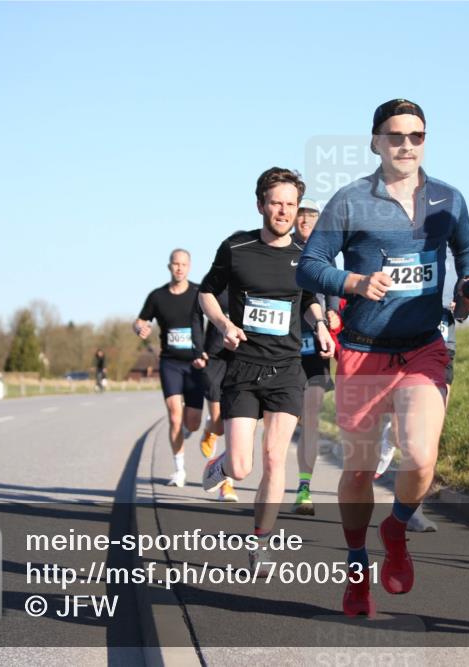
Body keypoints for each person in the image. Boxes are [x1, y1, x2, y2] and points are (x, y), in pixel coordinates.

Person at [297, 99, 469, 617]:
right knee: (358, 473)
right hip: (361, 352)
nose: (406, 145)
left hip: (423, 347)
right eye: (395, 136)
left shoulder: (448, 198)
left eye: (416, 136)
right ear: (376, 141)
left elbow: (467, 250)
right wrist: (353, 282)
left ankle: (396, 527)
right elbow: (310, 267)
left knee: (421, 458)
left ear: (426, 140)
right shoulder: (351, 200)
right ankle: (358, 571)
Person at [199, 167, 334, 568]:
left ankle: (260, 540)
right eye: (276, 203)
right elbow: (207, 292)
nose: (284, 211)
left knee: (276, 458)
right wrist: (224, 324)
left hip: (286, 369)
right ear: (260, 204)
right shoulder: (236, 248)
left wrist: (321, 325)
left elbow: (309, 298)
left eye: (291, 204)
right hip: (243, 368)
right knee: (241, 467)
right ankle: (219, 464)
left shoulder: (305, 255)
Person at [375, 253, 462, 532]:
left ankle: (412, 509)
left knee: (428, 438)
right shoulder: (406, 250)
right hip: (405, 349)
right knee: (405, 435)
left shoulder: (457, 258)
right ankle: (389, 437)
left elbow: (462, 311)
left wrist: (461, 306)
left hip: (442, 347)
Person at [135, 249, 207, 487]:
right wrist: (140, 329)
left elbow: (218, 317)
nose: (179, 268)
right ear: (169, 267)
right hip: (170, 363)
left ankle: (188, 431)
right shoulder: (157, 296)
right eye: (175, 264)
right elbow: (140, 320)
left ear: (189, 267)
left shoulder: (200, 293)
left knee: (192, 422)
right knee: (175, 416)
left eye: (183, 264)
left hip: (196, 364)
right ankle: (179, 470)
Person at [292, 198, 342, 516]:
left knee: (310, 415)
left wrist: (334, 312)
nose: (306, 220)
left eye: (312, 215)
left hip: (315, 339)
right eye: (302, 214)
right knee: (274, 421)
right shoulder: (282, 249)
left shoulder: (326, 254)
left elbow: (334, 289)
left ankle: (304, 486)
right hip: (281, 343)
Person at [194, 290, 238, 502]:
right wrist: (198, 348)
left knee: (232, 423)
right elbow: (195, 315)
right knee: (220, 423)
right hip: (214, 356)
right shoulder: (215, 282)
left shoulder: (251, 279)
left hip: (239, 356)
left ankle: (226, 485)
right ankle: (211, 429)